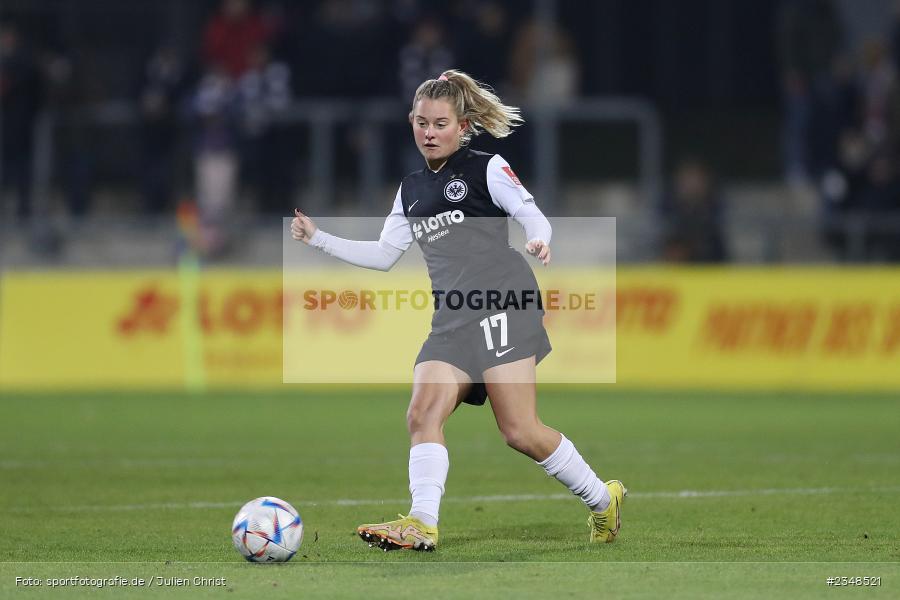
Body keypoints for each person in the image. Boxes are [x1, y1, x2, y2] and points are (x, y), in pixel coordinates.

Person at [291, 70, 624, 551]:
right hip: (452, 318)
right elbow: (385, 256)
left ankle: (602, 499)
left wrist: (539, 239)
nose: (430, 132)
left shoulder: (486, 168)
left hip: (502, 305)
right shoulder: (410, 190)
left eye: (440, 123)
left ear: (463, 126)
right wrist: (318, 239)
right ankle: (422, 523)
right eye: (422, 122)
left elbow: (533, 215)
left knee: (519, 431)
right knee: (422, 411)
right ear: (411, 122)